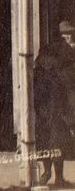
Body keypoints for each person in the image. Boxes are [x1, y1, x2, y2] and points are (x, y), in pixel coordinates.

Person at [35, 20, 75, 186]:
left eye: (69, 34)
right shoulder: (64, 54)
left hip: (51, 106)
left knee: (50, 140)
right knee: (54, 140)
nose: (68, 37)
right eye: (66, 34)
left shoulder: (48, 53)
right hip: (52, 106)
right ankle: (53, 175)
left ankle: (51, 174)